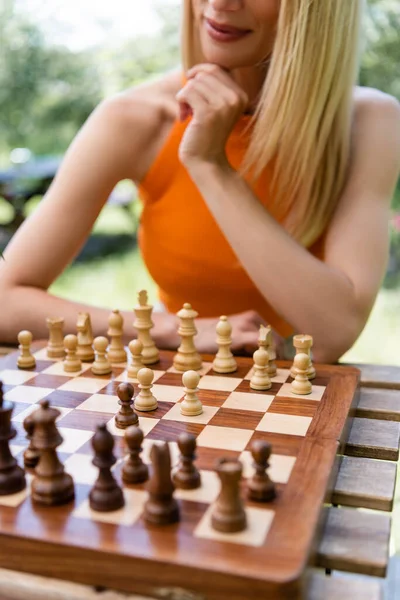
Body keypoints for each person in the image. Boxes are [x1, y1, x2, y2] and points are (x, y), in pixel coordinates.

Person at [0, 0, 399, 363]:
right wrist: (177, 329)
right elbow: (5, 301)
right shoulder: (132, 118)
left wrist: (210, 165)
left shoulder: (370, 124)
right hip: (178, 383)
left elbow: (332, 334)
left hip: (299, 394)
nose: (221, 3)